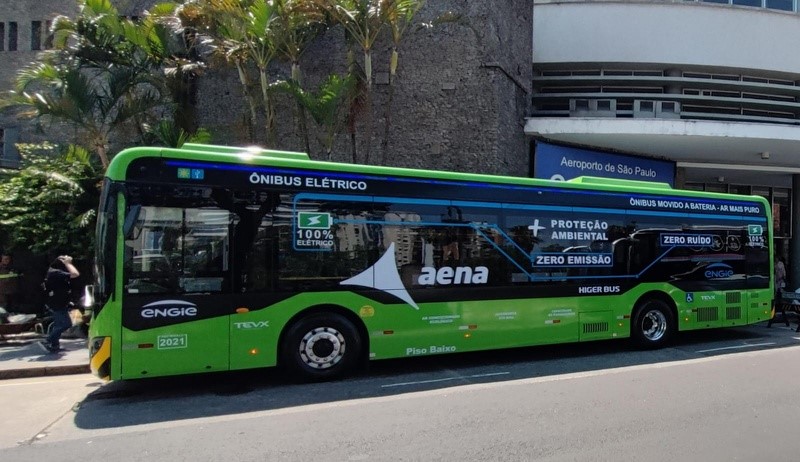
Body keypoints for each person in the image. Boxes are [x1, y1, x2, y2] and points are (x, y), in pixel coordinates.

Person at [38, 255, 80, 353]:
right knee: (66, 324)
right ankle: (48, 340)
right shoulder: (55, 272)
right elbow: (75, 274)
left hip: (58, 302)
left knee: (58, 324)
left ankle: (54, 346)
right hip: (57, 303)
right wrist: (68, 263)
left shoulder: (54, 272)